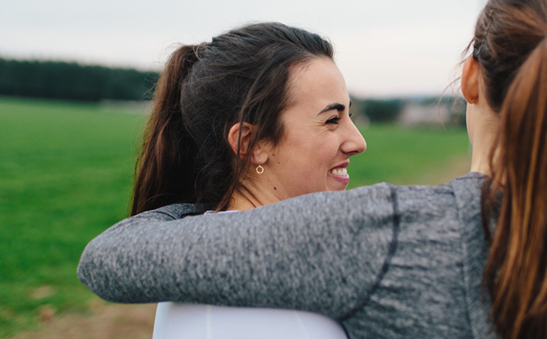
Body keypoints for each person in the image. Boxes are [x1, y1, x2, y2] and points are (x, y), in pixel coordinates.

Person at [78, 1, 547, 338]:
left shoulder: (378, 238)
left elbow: (110, 261)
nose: (354, 140)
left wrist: (208, 205)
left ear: (470, 78)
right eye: (334, 118)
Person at [124, 22, 366, 339]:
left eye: (349, 115)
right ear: (252, 143)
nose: (358, 141)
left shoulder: (243, 255)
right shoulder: (232, 293)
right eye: (332, 120)